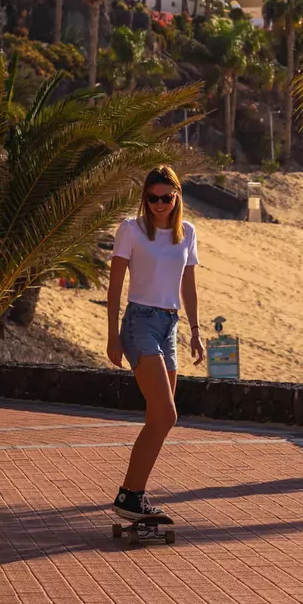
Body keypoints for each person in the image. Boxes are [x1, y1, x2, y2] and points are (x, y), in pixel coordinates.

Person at [107, 165, 206, 521]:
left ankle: (133, 495)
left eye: (167, 197)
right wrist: (112, 336)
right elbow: (115, 286)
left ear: (177, 196)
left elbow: (188, 285)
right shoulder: (131, 230)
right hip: (139, 323)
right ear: (144, 198)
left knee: (159, 419)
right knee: (166, 412)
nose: (160, 204)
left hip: (170, 325)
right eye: (153, 198)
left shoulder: (187, 233)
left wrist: (195, 330)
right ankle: (129, 495)